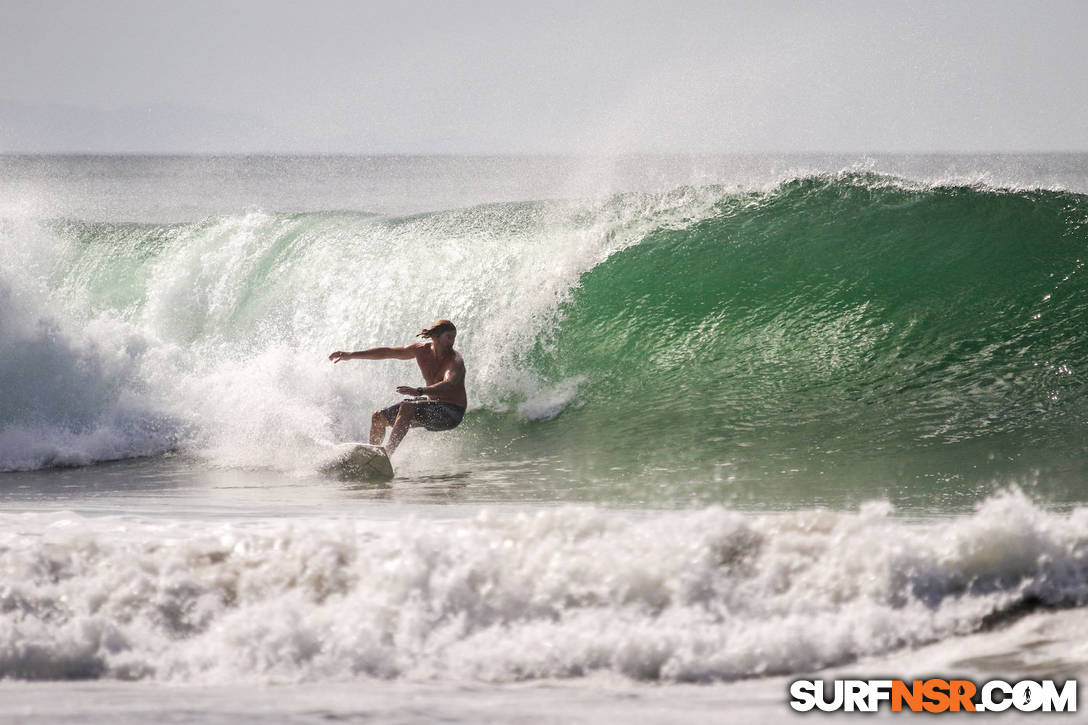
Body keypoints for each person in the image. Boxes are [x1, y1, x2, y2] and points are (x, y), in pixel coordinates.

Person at [328, 319, 467, 455]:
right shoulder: (420, 351)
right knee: (378, 418)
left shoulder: (455, 361)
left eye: (453, 338)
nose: (452, 342)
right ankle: (371, 457)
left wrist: (419, 391)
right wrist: (351, 355)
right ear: (435, 336)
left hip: (451, 413)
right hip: (432, 406)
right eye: (449, 337)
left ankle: (387, 453)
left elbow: (449, 383)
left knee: (408, 406)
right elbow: (388, 352)